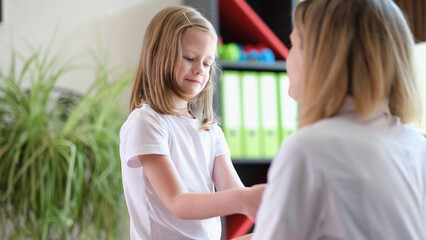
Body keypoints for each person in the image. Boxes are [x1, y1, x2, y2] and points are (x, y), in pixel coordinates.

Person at [238, 0, 426, 239]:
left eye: (293, 44)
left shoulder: (308, 148)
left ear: (321, 57)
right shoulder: (416, 145)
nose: (287, 57)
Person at [119, 5, 264, 240]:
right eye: (190, 58)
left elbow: (236, 194)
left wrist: (267, 203)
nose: (200, 70)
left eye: (207, 63)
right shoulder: (146, 122)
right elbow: (179, 203)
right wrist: (246, 199)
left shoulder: (209, 130)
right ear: (159, 55)